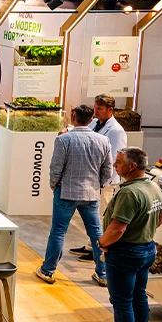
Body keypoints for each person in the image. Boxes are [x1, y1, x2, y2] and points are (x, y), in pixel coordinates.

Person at [90, 147, 162, 322]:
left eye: (119, 162)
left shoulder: (130, 192)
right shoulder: (154, 188)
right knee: (139, 297)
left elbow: (118, 228)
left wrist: (102, 244)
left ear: (132, 166)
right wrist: (144, 228)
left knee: (122, 301)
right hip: (147, 249)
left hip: (125, 253)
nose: (115, 165)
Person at [34, 104, 112, 287]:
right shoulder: (103, 141)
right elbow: (107, 171)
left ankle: (48, 270)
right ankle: (103, 273)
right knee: (96, 233)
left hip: (66, 192)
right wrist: (98, 185)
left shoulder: (64, 140)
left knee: (58, 232)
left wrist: (55, 186)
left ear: (73, 117)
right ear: (91, 119)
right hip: (91, 194)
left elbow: (56, 168)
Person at [71, 94, 129, 261]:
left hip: (106, 182)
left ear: (110, 110)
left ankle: (99, 250)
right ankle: (91, 245)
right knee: (93, 216)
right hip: (93, 179)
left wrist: (105, 181)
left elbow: (115, 159)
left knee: (102, 216)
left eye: (100, 109)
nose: (95, 111)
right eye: (95, 107)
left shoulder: (117, 131)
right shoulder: (95, 123)